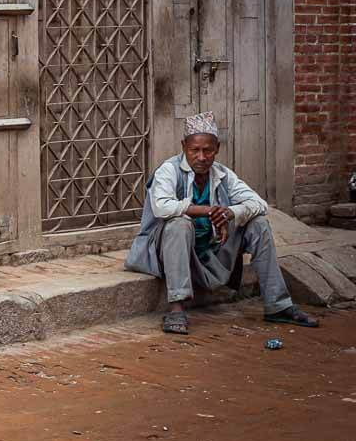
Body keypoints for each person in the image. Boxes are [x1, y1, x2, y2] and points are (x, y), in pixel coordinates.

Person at [125, 111, 319, 335]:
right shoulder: (169, 170)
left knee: (259, 224)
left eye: (207, 150)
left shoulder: (222, 174)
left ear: (216, 148)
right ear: (183, 147)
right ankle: (177, 307)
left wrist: (228, 213)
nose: (201, 157)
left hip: (209, 252)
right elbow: (162, 206)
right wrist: (209, 211)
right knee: (179, 224)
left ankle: (278, 305)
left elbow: (259, 203)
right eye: (194, 150)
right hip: (167, 251)